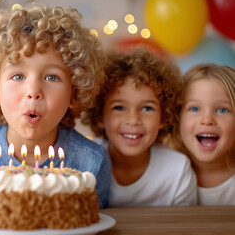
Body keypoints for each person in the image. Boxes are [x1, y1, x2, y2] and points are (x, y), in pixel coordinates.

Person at [0, 5, 111, 208]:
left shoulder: (91, 162)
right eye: (18, 76)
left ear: (75, 91)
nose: (33, 91)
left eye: (52, 77)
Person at [83, 48, 197, 206]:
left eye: (147, 108)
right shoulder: (82, 161)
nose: (133, 120)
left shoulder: (177, 170)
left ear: (164, 117)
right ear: (99, 116)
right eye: (119, 108)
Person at [173, 64, 235, 205]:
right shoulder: (167, 172)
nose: (207, 120)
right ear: (178, 117)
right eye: (194, 108)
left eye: (222, 110)